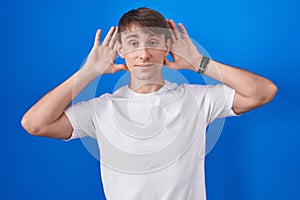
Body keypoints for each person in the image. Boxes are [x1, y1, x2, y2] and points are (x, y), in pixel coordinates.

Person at [21, 7, 277, 200]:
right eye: (133, 44)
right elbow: (34, 124)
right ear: (120, 50)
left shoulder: (197, 99)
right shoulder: (101, 109)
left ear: (167, 46)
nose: (143, 54)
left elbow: (263, 92)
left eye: (153, 42)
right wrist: (88, 72)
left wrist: (199, 62)